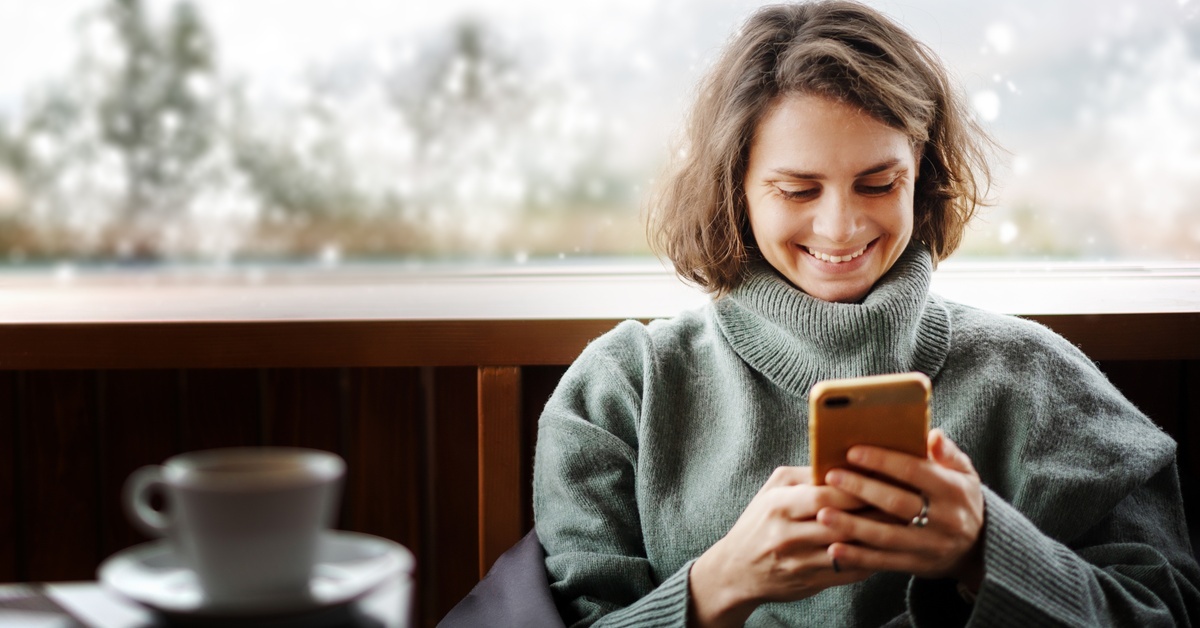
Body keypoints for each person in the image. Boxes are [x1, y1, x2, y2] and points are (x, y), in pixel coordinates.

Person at [531, 1, 1200, 626]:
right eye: (798, 189)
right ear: (735, 190)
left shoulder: (1035, 376)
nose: (841, 226)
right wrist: (718, 585)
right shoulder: (625, 389)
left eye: (879, 184)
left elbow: (1165, 608)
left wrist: (987, 551)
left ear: (924, 177)